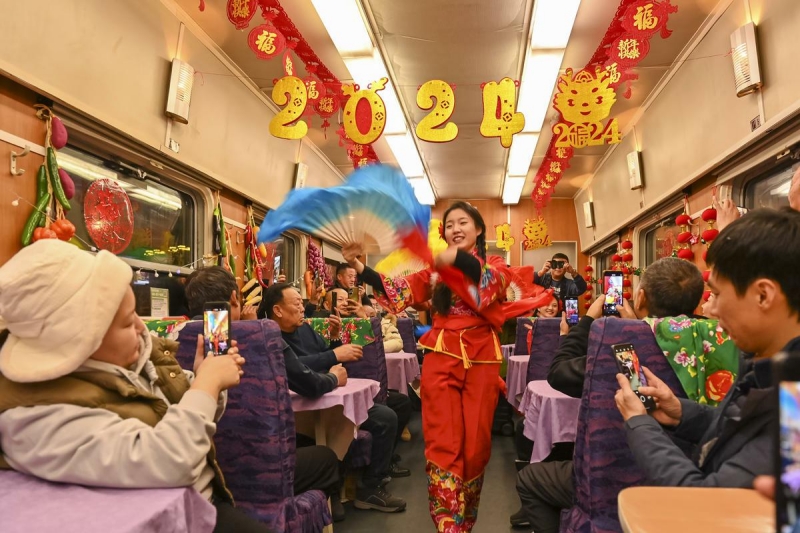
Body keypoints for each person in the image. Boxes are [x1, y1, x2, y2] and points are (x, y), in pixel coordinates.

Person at [0, 241, 272, 532]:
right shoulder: (36, 418)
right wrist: (207, 383)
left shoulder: (125, 362)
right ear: (81, 339)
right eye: (128, 322)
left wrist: (203, 379)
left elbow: (189, 414)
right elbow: (170, 461)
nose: (143, 329)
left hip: (196, 500)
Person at [515, 256, 739, 533]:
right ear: (696, 303)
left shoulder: (617, 345)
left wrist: (588, 321)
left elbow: (558, 374)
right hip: (704, 478)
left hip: (612, 477)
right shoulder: (723, 340)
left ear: (640, 297)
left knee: (531, 479)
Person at [343, 201, 511, 532]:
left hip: (482, 360)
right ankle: (449, 525)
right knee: (442, 442)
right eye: (449, 225)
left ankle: (465, 521)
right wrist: (359, 266)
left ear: (479, 229)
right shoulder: (436, 272)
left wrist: (457, 258)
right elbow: (399, 289)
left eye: (463, 222)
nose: (456, 229)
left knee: (476, 448)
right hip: (441, 358)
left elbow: (494, 283)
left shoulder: (495, 264)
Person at [613, 208, 800, 493]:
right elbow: (737, 432)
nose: (711, 310)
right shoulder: (765, 369)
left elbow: (707, 500)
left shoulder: (793, 403)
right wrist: (680, 412)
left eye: (717, 294)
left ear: (763, 295)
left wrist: (639, 423)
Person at [185, 267, 344, 520]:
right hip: (255, 462)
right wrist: (334, 377)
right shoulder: (259, 336)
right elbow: (309, 384)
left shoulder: (172, 336)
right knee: (325, 457)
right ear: (235, 298)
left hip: (197, 464)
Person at [259, 283, 408, 513]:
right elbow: (297, 368)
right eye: (297, 303)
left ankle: (370, 486)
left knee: (385, 417)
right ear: (277, 310)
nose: (302, 308)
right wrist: (333, 355)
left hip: (330, 396)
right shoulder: (270, 339)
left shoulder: (305, 329)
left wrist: (336, 340)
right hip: (300, 409)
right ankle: (332, 489)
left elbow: (328, 358)